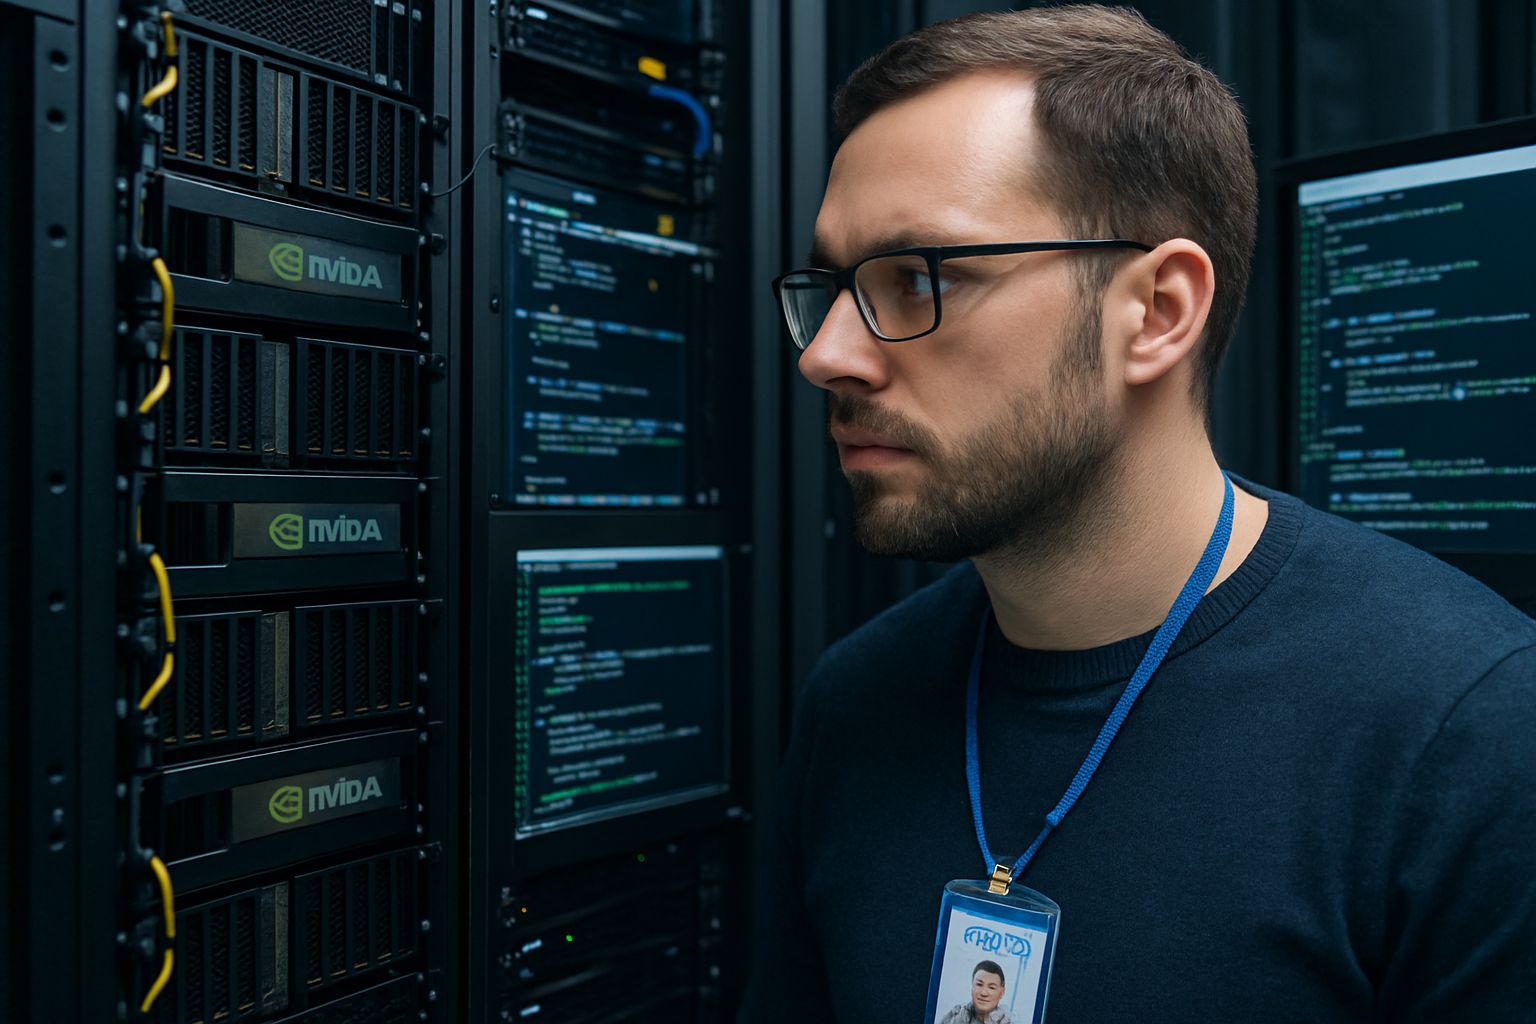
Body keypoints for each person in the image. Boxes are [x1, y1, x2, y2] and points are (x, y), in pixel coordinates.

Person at [740, 6, 1536, 1023]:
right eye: (833, 287)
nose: (825, 356)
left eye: (915, 279)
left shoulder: (1469, 739)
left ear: (1157, 311)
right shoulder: (853, 705)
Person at [938, 961, 1013, 1024]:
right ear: (972, 986)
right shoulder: (954, 1018)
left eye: (991, 988)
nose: (984, 993)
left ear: (1002, 993)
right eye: (979, 985)